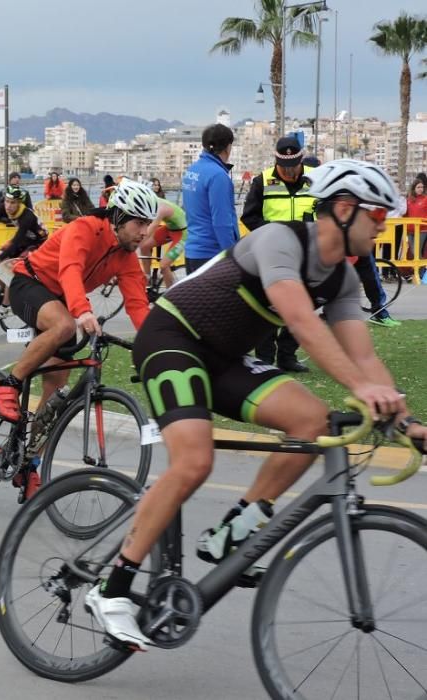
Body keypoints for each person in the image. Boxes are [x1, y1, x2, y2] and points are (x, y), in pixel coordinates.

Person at [84, 159, 427, 651]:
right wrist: (365, 390)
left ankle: (239, 523)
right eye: (379, 217)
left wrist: (407, 420)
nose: (385, 226)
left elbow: (364, 356)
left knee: (313, 421)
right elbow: (303, 324)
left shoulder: (343, 280)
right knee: (195, 460)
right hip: (173, 338)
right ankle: (111, 588)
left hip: (223, 357)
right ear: (347, 210)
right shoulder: (280, 241)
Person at [0, 179, 157, 497]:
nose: (144, 232)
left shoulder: (125, 255)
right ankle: (8, 385)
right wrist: (82, 311)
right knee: (65, 326)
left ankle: (29, 467)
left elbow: (138, 305)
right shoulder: (85, 227)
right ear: (119, 217)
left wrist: (154, 347)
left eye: (148, 224)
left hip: (62, 302)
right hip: (30, 282)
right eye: (139, 223)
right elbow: (69, 268)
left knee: (56, 396)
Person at [240, 136, 316, 372]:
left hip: (306, 252)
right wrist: (273, 233)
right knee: (268, 305)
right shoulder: (263, 180)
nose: (289, 171)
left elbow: (327, 211)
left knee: (303, 306)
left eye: (293, 166)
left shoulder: (317, 177)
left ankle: (287, 355)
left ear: (301, 160)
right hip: (272, 253)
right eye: (284, 167)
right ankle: (265, 358)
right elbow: (249, 216)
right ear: (277, 162)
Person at [0, 186, 48, 322]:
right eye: (6, 201)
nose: (8, 206)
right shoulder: (2, 208)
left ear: (19, 203)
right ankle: (4, 290)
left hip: (38, 243)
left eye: (13, 203)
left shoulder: (27, 216)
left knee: (11, 269)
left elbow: (17, 242)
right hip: (25, 239)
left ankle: (6, 306)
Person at [181, 123, 238, 273]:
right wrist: (232, 257)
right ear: (228, 147)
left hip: (192, 252)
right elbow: (222, 222)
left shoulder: (192, 170)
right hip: (212, 255)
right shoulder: (218, 176)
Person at [137, 196, 187, 289]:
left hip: (182, 233)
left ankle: (170, 295)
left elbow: (154, 225)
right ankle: (147, 279)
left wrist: (141, 238)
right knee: (144, 247)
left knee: (164, 265)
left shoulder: (161, 208)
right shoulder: (151, 204)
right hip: (169, 229)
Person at [406, 175, 427, 260]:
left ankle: (422, 271)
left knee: (416, 251)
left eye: (422, 187)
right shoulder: (409, 200)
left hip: (422, 229)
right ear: (414, 188)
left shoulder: (425, 199)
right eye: (418, 187)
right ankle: (420, 271)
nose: (420, 189)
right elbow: (405, 213)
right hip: (410, 229)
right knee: (413, 251)